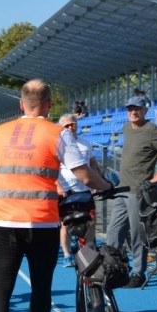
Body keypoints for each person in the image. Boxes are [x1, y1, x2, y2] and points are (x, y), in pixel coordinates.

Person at [0, 79, 113, 312]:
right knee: (41, 289)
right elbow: (83, 174)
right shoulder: (57, 133)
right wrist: (105, 185)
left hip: (4, 221)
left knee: (0, 291)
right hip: (41, 223)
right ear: (49, 104)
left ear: (21, 104)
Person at [106, 95, 157, 288]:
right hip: (123, 187)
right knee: (113, 232)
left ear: (145, 110)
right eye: (130, 109)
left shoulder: (151, 130)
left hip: (138, 191)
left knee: (137, 234)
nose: (133, 112)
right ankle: (114, 267)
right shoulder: (127, 128)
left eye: (137, 109)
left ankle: (139, 273)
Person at [57, 113, 101, 267]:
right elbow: (52, 167)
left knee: (91, 221)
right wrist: (58, 185)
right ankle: (67, 255)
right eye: (66, 125)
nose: (70, 127)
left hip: (84, 189)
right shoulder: (57, 144)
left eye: (72, 124)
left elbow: (92, 163)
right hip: (66, 190)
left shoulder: (85, 143)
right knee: (66, 223)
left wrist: (96, 181)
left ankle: (88, 251)